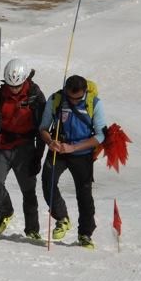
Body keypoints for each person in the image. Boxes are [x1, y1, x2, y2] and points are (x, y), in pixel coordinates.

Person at [39, 75, 106, 249]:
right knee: (48, 182)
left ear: (85, 92)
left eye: (78, 99)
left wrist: (74, 148)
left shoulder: (95, 104)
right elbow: (43, 128)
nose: (74, 102)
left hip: (82, 153)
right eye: (71, 98)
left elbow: (100, 136)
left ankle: (85, 234)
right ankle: (62, 217)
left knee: (84, 195)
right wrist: (50, 142)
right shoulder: (56, 99)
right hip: (58, 149)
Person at [0, 59, 45, 239]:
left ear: (24, 80)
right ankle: (5, 211)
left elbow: (43, 128)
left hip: (24, 148)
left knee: (28, 190)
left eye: (17, 86)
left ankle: (32, 229)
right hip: (2, 145)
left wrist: (38, 157)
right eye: (11, 86)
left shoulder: (35, 96)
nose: (14, 89)